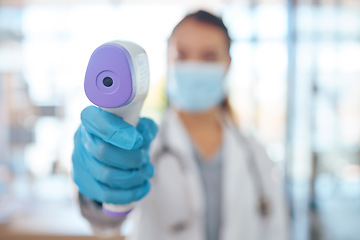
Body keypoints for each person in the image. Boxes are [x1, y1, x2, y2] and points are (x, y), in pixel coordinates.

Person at [72, 10, 289, 240]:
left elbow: (277, 230)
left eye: (208, 57)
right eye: (182, 56)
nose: (194, 66)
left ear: (227, 63)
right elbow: (108, 226)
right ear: (168, 60)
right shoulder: (143, 146)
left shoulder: (255, 155)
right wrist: (96, 191)